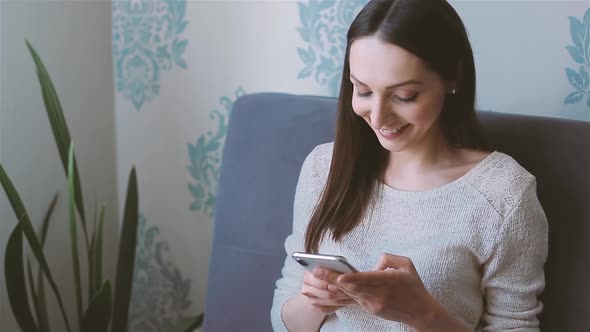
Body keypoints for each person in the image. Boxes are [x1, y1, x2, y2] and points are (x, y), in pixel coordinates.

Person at [270, 0, 548, 331]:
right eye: (363, 91)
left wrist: (421, 313)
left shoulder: (503, 194)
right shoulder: (323, 167)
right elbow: (283, 318)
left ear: (452, 77)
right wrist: (317, 301)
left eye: (404, 97)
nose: (378, 116)